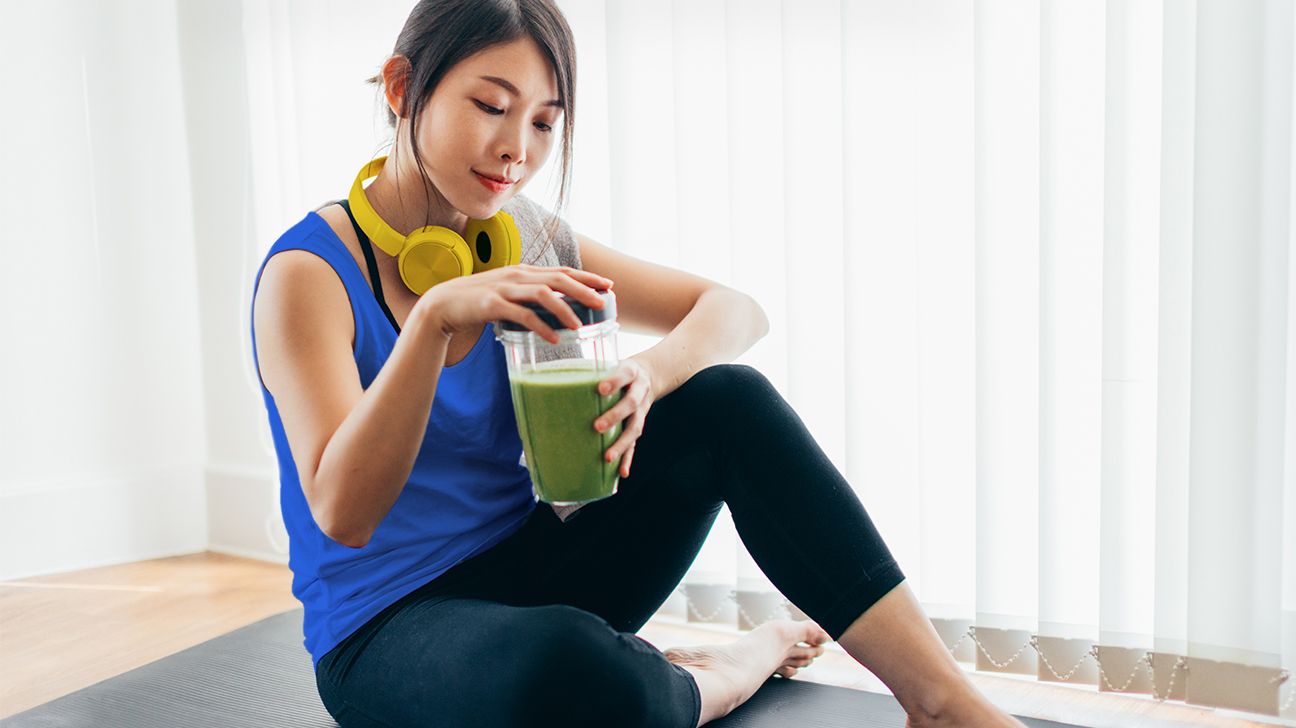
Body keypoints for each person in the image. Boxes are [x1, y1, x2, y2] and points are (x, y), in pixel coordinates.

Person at [249, 1, 1028, 726]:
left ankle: (944, 702)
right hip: (386, 631)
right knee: (570, 665)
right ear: (401, 87)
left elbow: (733, 309)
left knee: (730, 401)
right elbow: (344, 517)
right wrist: (433, 323)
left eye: (545, 123)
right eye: (490, 106)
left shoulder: (525, 235)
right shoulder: (310, 276)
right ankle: (737, 664)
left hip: (531, 567)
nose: (517, 149)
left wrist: (651, 375)